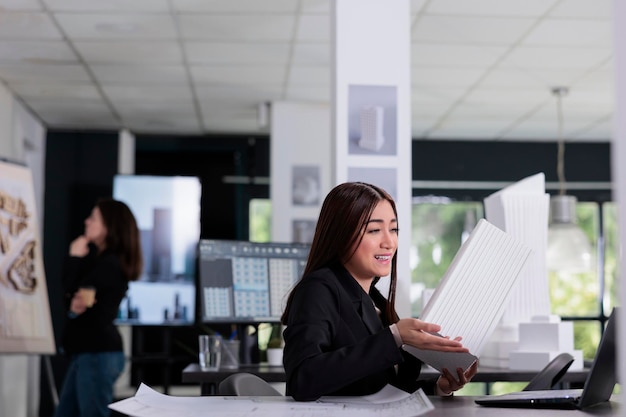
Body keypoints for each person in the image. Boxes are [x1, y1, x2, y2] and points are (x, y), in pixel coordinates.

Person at [281, 182, 478, 401]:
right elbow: (303, 380)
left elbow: (386, 388)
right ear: (341, 234)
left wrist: (440, 388)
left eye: (393, 229)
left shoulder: (374, 300)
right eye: (374, 230)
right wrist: (394, 337)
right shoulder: (318, 289)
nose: (389, 242)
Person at [54, 198, 143, 417]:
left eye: (93, 218)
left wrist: (74, 257)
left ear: (109, 227)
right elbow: (73, 302)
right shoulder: (101, 261)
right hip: (90, 352)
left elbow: (76, 301)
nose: (87, 222)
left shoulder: (109, 265)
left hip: (97, 354)